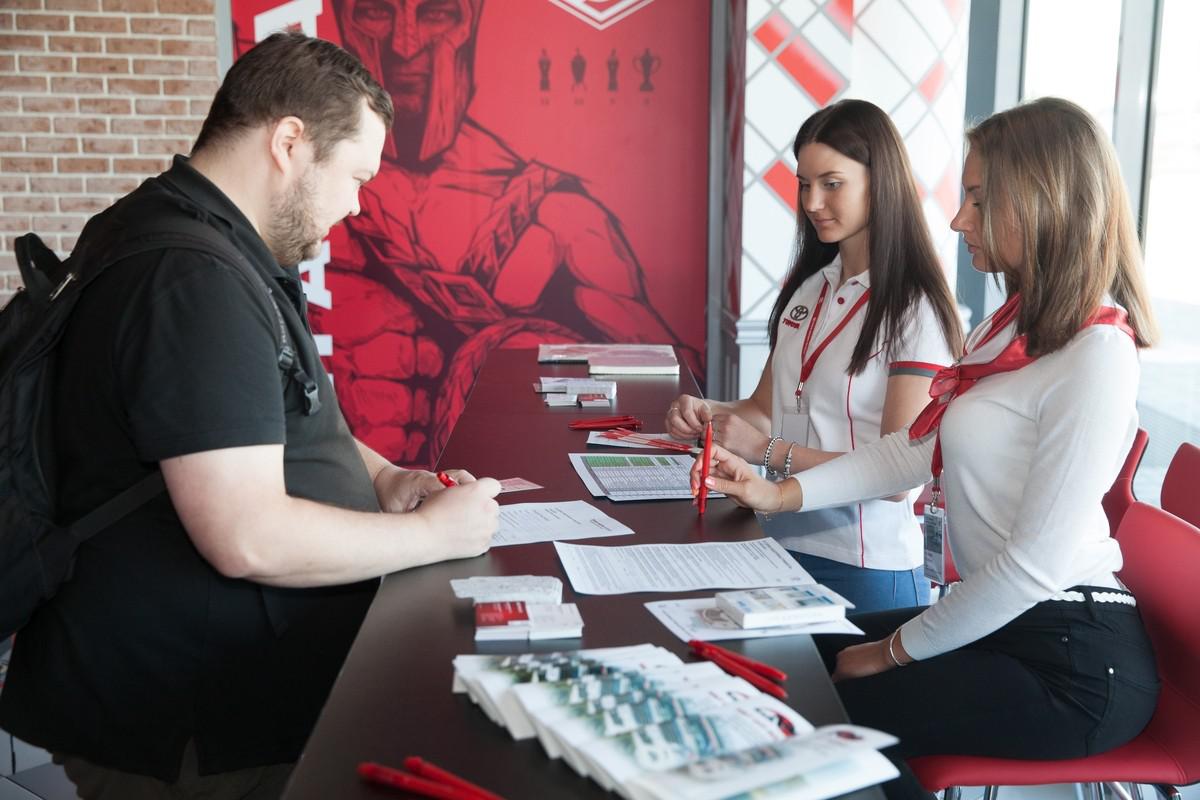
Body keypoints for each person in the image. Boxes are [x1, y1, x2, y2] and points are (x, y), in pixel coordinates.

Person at [0, 32, 500, 800]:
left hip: (202, 691)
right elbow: (246, 535)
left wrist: (384, 477)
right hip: (185, 722)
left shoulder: (196, 235)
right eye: (355, 177)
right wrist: (437, 536)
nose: (357, 205)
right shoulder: (191, 278)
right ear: (289, 142)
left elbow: (281, 413)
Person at [695, 98, 1160, 798]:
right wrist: (776, 492)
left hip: (1073, 659)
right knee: (779, 662)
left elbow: (1033, 567)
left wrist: (892, 652)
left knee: (819, 709)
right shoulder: (1006, 332)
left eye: (978, 199)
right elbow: (910, 452)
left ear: (1041, 201)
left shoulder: (1098, 354)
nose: (957, 219)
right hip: (998, 619)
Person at [299, 0, 698, 467]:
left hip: (487, 494)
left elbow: (675, 383)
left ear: (469, 24)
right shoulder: (306, 212)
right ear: (346, 24)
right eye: (376, 11)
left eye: (435, 14)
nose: (405, 45)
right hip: (341, 492)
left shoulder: (556, 217)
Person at [666, 99, 963, 612]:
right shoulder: (810, 289)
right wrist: (704, 412)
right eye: (804, 184)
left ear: (880, 183)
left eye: (832, 183)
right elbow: (766, 407)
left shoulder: (915, 309)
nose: (812, 201)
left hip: (864, 566)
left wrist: (767, 451)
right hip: (774, 540)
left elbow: (899, 477)